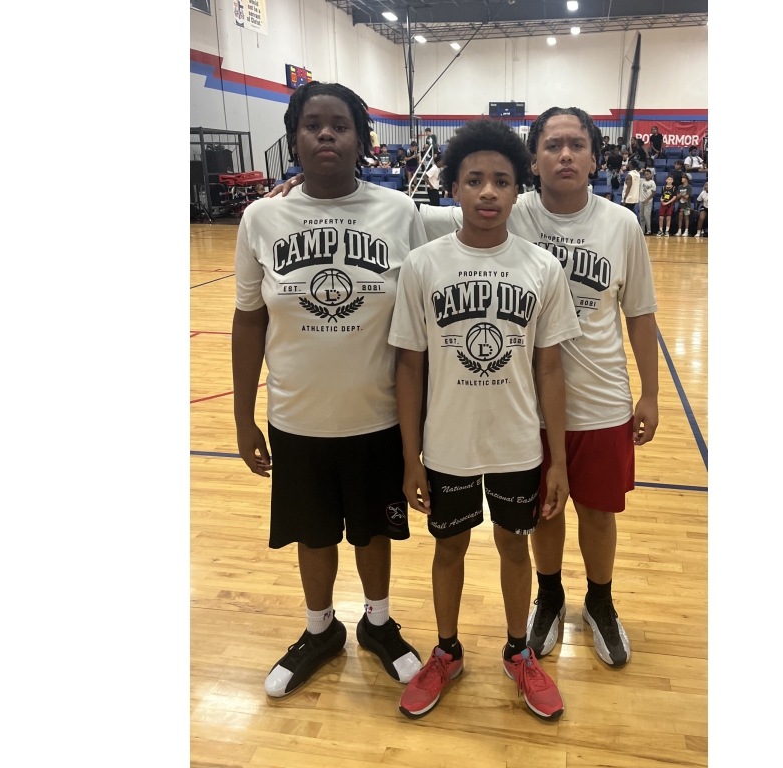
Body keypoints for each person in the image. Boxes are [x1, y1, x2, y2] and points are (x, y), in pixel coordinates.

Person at [266, 105, 661, 671]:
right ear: (534, 161)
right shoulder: (505, 207)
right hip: (517, 411)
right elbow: (414, 210)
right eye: (553, 145)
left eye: (577, 144)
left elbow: (641, 314)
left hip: (597, 399)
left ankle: (599, 601)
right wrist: (305, 192)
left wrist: (650, 393)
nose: (565, 155)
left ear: (596, 158)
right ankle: (546, 601)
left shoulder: (619, 225)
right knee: (538, 521)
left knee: (596, 514)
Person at [232, 81, 426, 700]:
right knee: (312, 533)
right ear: (293, 137)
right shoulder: (261, 218)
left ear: (361, 139)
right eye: (311, 124)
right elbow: (248, 321)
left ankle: (377, 624)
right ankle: (320, 631)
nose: (325, 134)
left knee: (373, 531)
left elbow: (422, 318)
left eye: (339, 125)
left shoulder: (400, 212)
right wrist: (242, 417)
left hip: (378, 416)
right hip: (296, 416)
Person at [391, 119, 579, 721]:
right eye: (474, 180)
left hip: (517, 443)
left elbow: (551, 369)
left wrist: (559, 462)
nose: (489, 192)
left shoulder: (542, 267)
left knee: (513, 546)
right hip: (447, 442)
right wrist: (410, 457)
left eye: (502, 180)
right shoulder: (423, 265)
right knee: (448, 548)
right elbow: (409, 367)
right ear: (453, 187)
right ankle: (446, 651)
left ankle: (518, 652)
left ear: (519, 188)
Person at [638, 167, 656, 235]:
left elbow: (653, 193)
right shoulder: (641, 180)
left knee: (646, 215)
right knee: (641, 216)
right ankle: (642, 230)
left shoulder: (652, 182)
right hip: (641, 200)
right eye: (645, 174)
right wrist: (640, 171)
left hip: (648, 201)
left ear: (650, 175)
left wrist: (647, 199)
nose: (646, 176)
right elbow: (635, 177)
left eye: (648, 174)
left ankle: (649, 230)